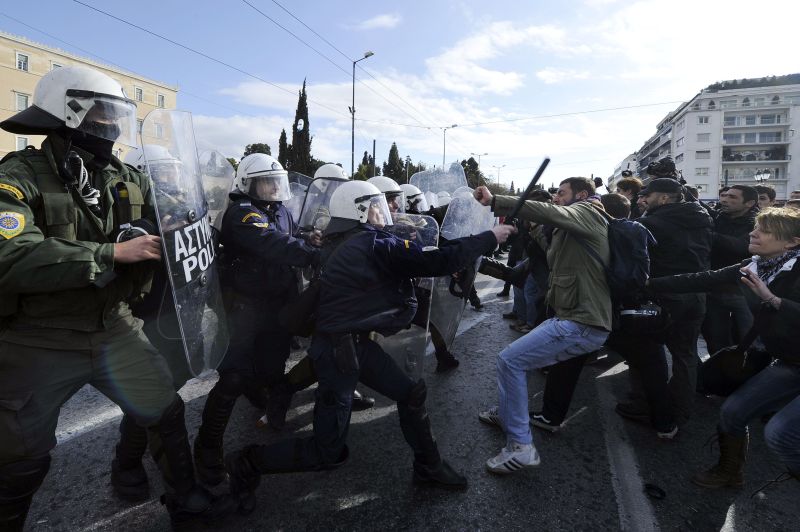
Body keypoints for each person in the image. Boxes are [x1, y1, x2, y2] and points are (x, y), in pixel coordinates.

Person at [0, 66, 232, 530]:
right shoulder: (18, 174)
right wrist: (111, 253)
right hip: (39, 334)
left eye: (117, 114)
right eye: (103, 113)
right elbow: (10, 252)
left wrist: (170, 233)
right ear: (69, 111)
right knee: (19, 455)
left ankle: (186, 499)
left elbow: (160, 225)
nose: (112, 125)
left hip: (114, 323)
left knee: (163, 409)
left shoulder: (127, 178)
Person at [224, 181, 515, 509]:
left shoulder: (346, 239)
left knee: (411, 393)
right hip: (338, 353)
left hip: (354, 345)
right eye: (378, 205)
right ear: (360, 210)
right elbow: (435, 262)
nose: (387, 211)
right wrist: (491, 237)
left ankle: (428, 466)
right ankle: (247, 462)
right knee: (327, 451)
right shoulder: (370, 243)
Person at [193, 153, 325, 483]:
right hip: (245, 307)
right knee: (233, 377)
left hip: (278, 303)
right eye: (265, 182)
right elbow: (272, 243)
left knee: (271, 366)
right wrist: (316, 253)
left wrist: (309, 237)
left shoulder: (280, 210)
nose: (272, 188)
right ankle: (207, 447)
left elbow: (290, 235)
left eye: (275, 182)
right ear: (248, 184)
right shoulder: (242, 212)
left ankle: (259, 391)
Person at [647, 207, 800, 488]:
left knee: (781, 433)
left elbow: (781, 307)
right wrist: (644, 285)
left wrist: (774, 300)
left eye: (764, 230)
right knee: (732, 412)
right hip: (790, 362)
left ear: (792, 242)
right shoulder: (755, 265)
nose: (753, 233)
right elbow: (701, 278)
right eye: (755, 227)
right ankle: (730, 472)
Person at [475, 177, 611, 474]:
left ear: (583, 195)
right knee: (515, 362)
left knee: (510, 361)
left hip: (583, 320)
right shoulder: (568, 231)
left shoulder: (589, 212)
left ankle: (521, 448)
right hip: (571, 316)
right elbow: (534, 264)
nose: (555, 198)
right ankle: (508, 414)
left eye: (561, 193)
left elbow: (553, 214)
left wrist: (497, 201)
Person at [614, 178, 713, 435]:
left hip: (663, 294)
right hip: (696, 292)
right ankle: (681, 411)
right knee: (685, 354)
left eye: (648, 195)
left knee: (645, 352)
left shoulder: (650, 223)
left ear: (665, 198)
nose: (642, 199)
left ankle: (642, 404)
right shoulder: (702, 217)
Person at [703, 185, 758, 355]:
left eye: (733, 197)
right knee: (715, 340)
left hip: (744, 292)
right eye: (724, 195)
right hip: (715, 289)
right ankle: (720, 375)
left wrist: (708, 235)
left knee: (751, 341)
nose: (725, 199)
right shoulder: (718, 218)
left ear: (749, 203)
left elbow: (741, 247)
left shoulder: (757, 223)